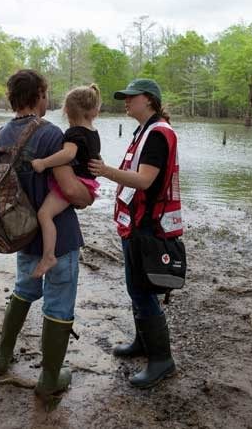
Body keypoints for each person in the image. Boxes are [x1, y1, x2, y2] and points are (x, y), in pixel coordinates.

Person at [0, 69, 93, 402]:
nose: (48, 99)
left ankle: (2, 357)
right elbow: (69, 189)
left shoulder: (0, 135)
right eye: (46, 93)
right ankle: (50, 378)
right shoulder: (51, 135)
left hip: (22, 233)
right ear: (37, 95)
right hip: (58, 238)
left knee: (23, 289)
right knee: (59, 303)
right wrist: (89, 195)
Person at [89, 78, 183, 389]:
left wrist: (104, 171)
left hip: (147, 224)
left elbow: (143, 181)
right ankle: (143, 343)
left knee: (143, 291)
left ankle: (162, 360)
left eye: (132, 97)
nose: (126, 101)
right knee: (137, 288)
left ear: (150, 100)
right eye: (124, 96)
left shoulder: (157, 134)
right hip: (136, 221)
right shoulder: (146, 130)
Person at [30, 84, 102, 278]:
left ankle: (48, 256)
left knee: (44, 214)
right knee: (47, 214)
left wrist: (43, 163)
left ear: (67, 111)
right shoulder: (93, 133)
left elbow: (68, 154)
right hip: (88, 182)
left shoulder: (73, 133)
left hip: (76, 181)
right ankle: (49, 256)